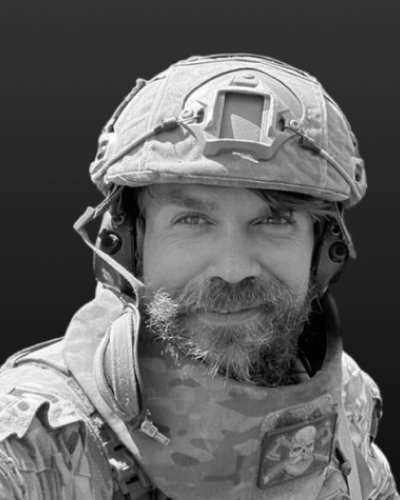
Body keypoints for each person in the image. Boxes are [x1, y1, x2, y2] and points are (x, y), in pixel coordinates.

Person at [0, 54, 397, 500]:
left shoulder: (345, 396)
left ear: (323, 251)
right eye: (191, 220)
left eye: (274, 221)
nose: (232, 269)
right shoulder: (33, 446)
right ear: (129, 245)